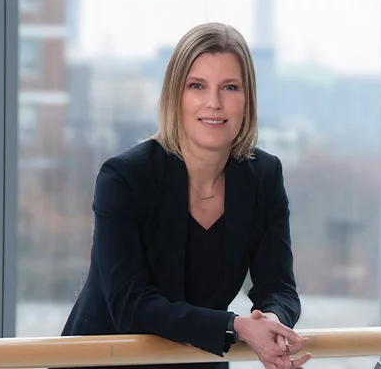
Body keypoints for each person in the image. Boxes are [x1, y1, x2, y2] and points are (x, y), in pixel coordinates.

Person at [60, 22, 311, 369]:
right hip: (106, 362)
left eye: (230, 87)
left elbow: (280, 286)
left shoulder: (264, 177)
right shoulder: (124, 177)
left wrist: (272, 322)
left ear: (247, 100)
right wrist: (235, 327)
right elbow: (131, 305)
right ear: (175, 96)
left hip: (197, 359)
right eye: (197, 86)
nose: (214, 103)